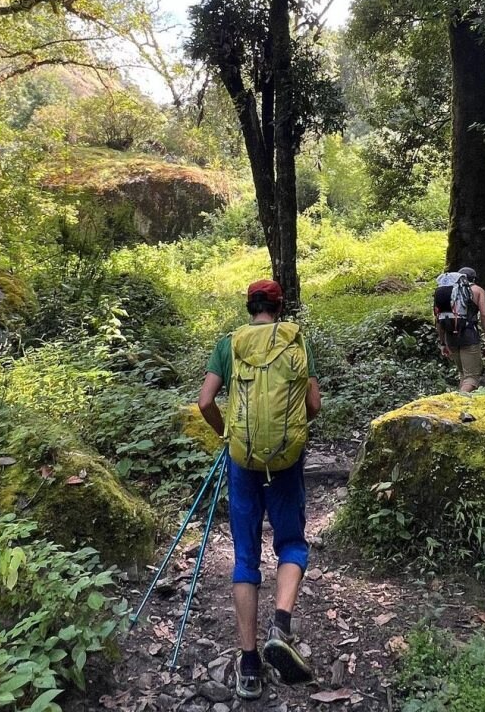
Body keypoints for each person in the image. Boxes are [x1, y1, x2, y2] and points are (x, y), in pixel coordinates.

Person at [198, 278, 322, 700]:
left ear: (249, 307)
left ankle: (249, 666)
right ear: (279, 306)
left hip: (243, 462)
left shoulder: (228, 344)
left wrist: (226, 434)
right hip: (285, 463)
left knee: (246, 558)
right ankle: (281, 626)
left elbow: (204, 402)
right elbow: (314, 405)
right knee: (291, 544)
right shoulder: (296, 341)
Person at [434, 266, 485, 393]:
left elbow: (438, 319)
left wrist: (442, 343)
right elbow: (484, 315)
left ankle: (460, 406)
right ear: (474, 279)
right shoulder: (477, 290)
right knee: (471, 378)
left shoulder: (447, 291)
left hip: (450, 336)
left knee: (463, 374)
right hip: (468, 334)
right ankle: (458, 404)